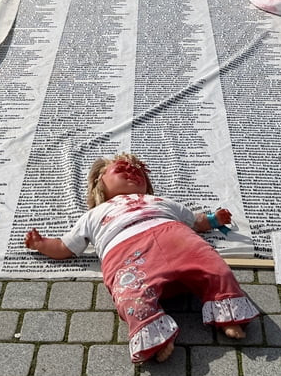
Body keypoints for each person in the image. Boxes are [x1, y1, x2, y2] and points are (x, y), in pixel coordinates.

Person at [24, 153, 259, 364]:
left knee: (214, 267)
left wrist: (214, 219)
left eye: (137, 172)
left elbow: (196, 222)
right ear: (100, 184)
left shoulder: (160, 201)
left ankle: (228, 314)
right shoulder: (93, 215)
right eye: (121, 170)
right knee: (130, 295)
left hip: (176, 237)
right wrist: (41, 244)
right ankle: (156, 335)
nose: (131, 172)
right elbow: (65, 246)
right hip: (127, 251)